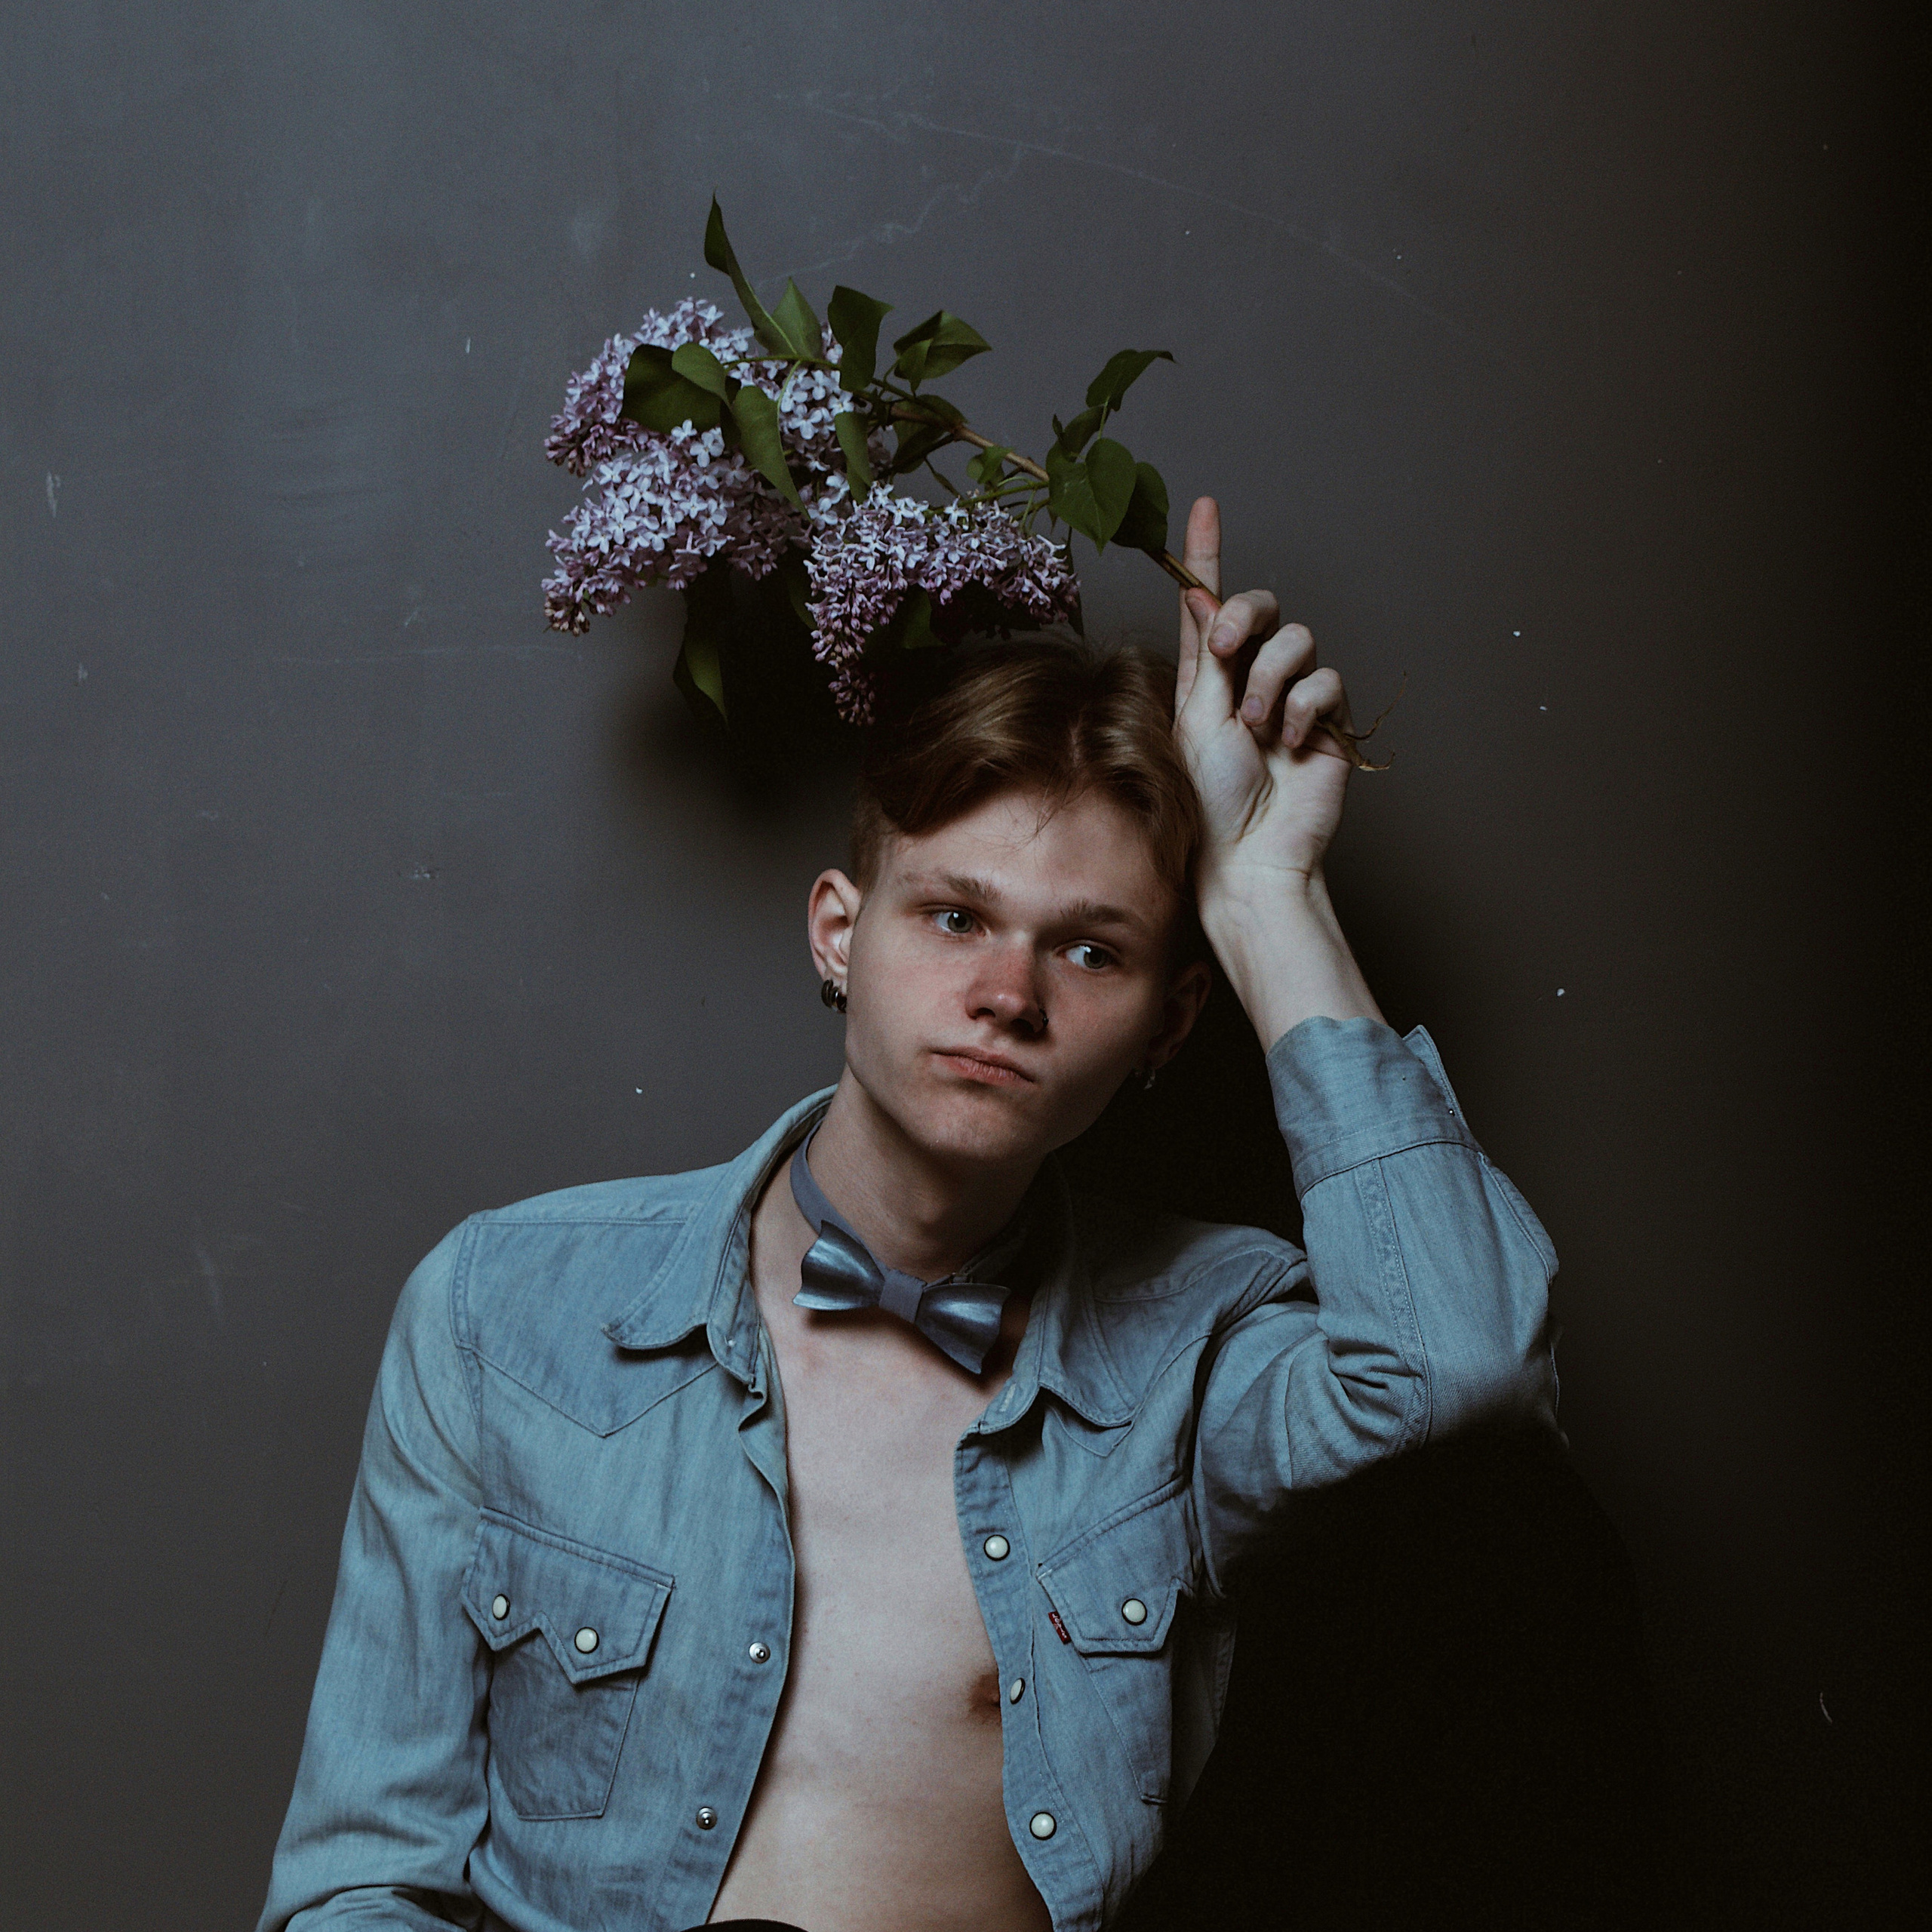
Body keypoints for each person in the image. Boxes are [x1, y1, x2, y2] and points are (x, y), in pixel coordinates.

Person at [257, 499, 1560, 1932]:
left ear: (1172, 1021)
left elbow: (1461, 1374)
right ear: (839, 931)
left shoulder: (1201, 1347)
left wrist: (1270, 899)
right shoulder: (503, 1314)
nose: (1008, 994)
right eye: (954, 917)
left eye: (1090, 950)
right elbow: (360, 1887)